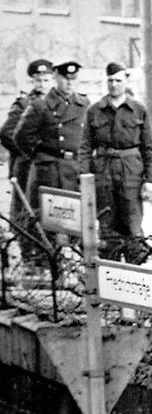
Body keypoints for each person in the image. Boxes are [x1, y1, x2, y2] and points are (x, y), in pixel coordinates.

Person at [78, 61, 152, 263]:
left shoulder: (138, 110)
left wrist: (150, 180)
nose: (114, 85)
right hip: (103, 173)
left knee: (132, 225)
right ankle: (110, 280)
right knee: (107, 226)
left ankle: (136, 277)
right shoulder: (95, 111)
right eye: (110, 80)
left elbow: (148, 148)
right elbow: (86, 147)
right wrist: (85, 177)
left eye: (118, 80)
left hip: (131, 173)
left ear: (126, 81)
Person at [12, 60, 88, 265]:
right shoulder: (40, 106)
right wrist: (40, 156)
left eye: (74, 79)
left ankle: (71, 263)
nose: (70, 83)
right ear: (56, 78)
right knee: (43, 218)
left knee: (73, 217)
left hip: (74, 169)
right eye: (65, 79)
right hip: (48, 171)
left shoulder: (85, 105)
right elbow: (20, 137)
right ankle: (41, 262)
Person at [0, 59, 53, 258]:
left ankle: (47, 256)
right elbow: (6, 133)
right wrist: (28, 152)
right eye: (38, 80)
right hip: (26, 166)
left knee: (49, 209)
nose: (42, 85)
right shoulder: (24, 103)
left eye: (46, 80)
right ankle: (28, 253)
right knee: (26, 210)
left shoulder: (56, 104)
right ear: (32, 82)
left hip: (49, 167)